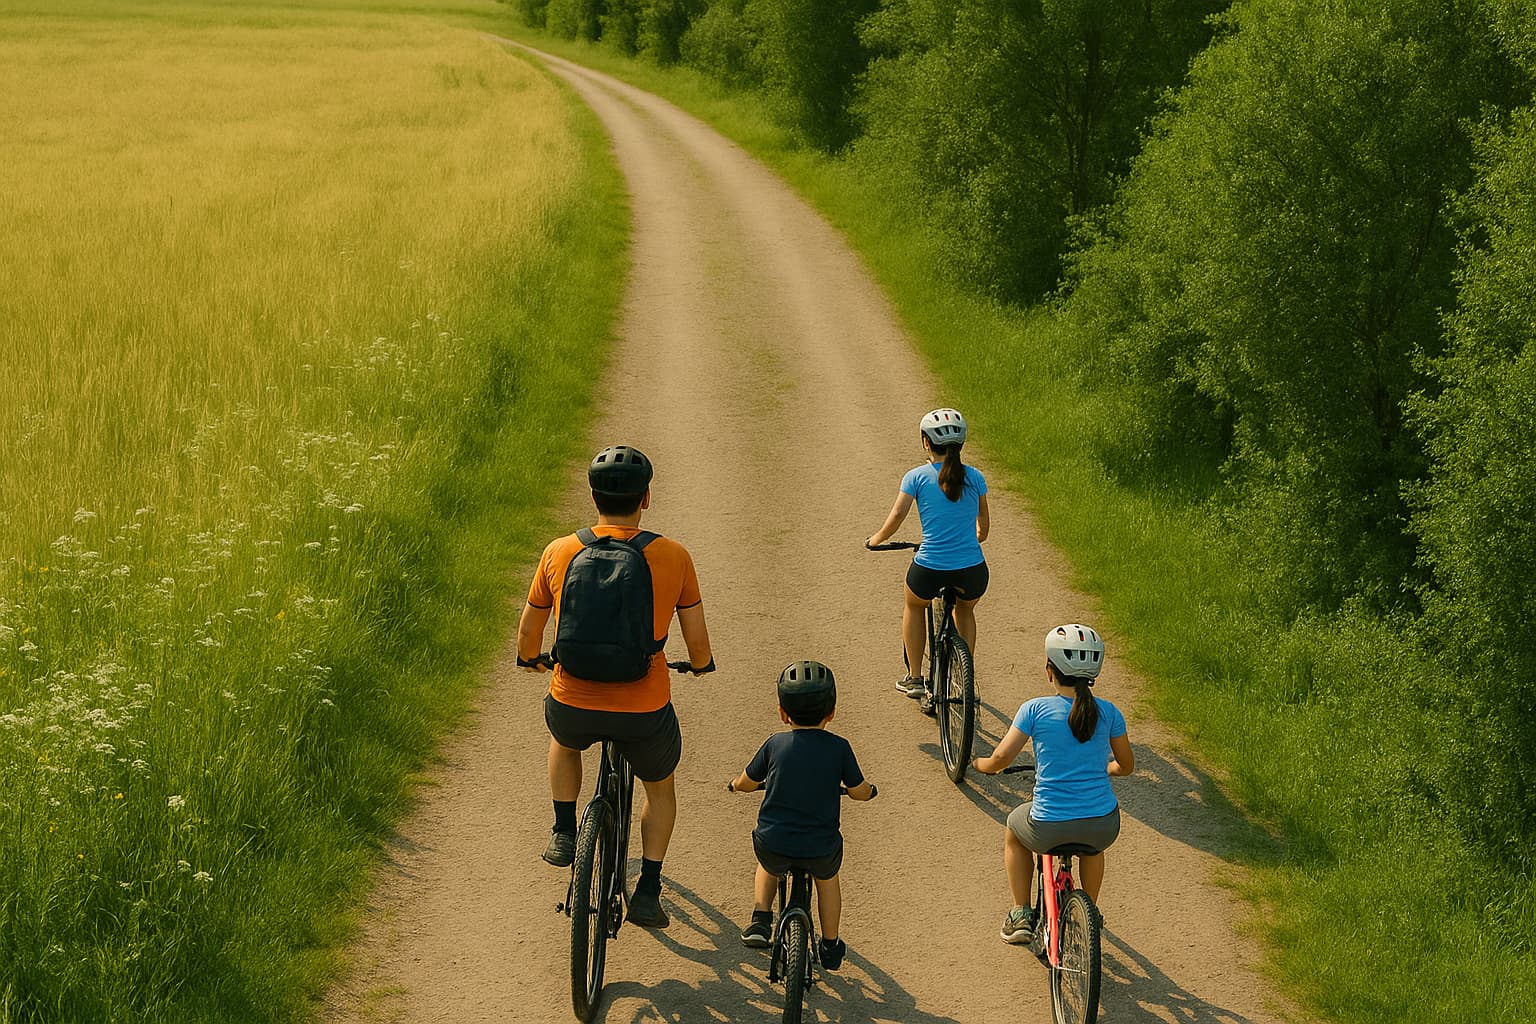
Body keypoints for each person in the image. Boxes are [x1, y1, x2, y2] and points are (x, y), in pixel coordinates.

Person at [517, 444, 715, 929]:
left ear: (592, 495)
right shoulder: (673, 555)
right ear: (646, 498)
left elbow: (529, 631)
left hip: (574, 697)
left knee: (564, 742)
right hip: (644, 707)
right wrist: (700, 665)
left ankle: (565, 831)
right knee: (659, 785)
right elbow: (696, 641)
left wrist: (530, 660)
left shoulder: (560, 551)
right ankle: (647, 888)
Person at [973, 623, 1134, 944]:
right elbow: (1126, 766)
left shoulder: (1034, 710)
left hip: (1048, 825)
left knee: (1014, 830)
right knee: (1092, 848)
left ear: (1050, 671)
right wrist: (1109, 769)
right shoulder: (1109, 712)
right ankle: (1090, 909)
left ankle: (1020, 913)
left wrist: (981, 765)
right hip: (1101, 825)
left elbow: (1001, 758)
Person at [728, 660, 876, 971]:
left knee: (768, 863)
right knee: (827, 880)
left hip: (774, 843)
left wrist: (735, 786)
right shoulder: (839, 748)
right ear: (831, 712)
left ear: (783, 713)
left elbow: (746, 781)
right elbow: (859, 789)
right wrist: (868, 791)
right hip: (820, 847)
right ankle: (831, 944)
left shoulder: (774, 744)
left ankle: (760, 919)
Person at [866, 407, 990, 712]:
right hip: (972, 570)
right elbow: (983, 527)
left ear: (925, 442)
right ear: (961, 443)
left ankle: (916, 678)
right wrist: (974, 536)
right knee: (965, 610)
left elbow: (897, 516)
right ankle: (967, 677)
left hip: (930, 567)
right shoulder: (975, 477)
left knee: (914, 604)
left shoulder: (916, 477)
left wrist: (876, 539)